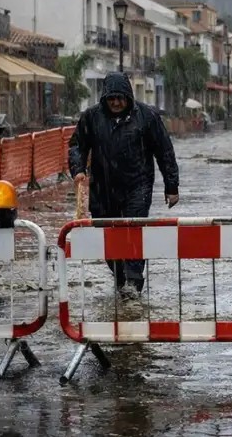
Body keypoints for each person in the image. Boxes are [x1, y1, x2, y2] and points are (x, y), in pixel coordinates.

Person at [68, 71, 180, 298]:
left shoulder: (147, 117)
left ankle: (134, 280)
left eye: (121, 98)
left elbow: (164, 151)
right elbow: (77, 146)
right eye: (112, 98)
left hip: (137, 184)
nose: (116, 103)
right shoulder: (91, 117)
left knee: (133, 230)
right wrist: (78, 170)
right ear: (105, 98)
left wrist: (172, 186)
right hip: (102, 186)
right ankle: (120, 277)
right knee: (107, 234)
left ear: (128, 97)